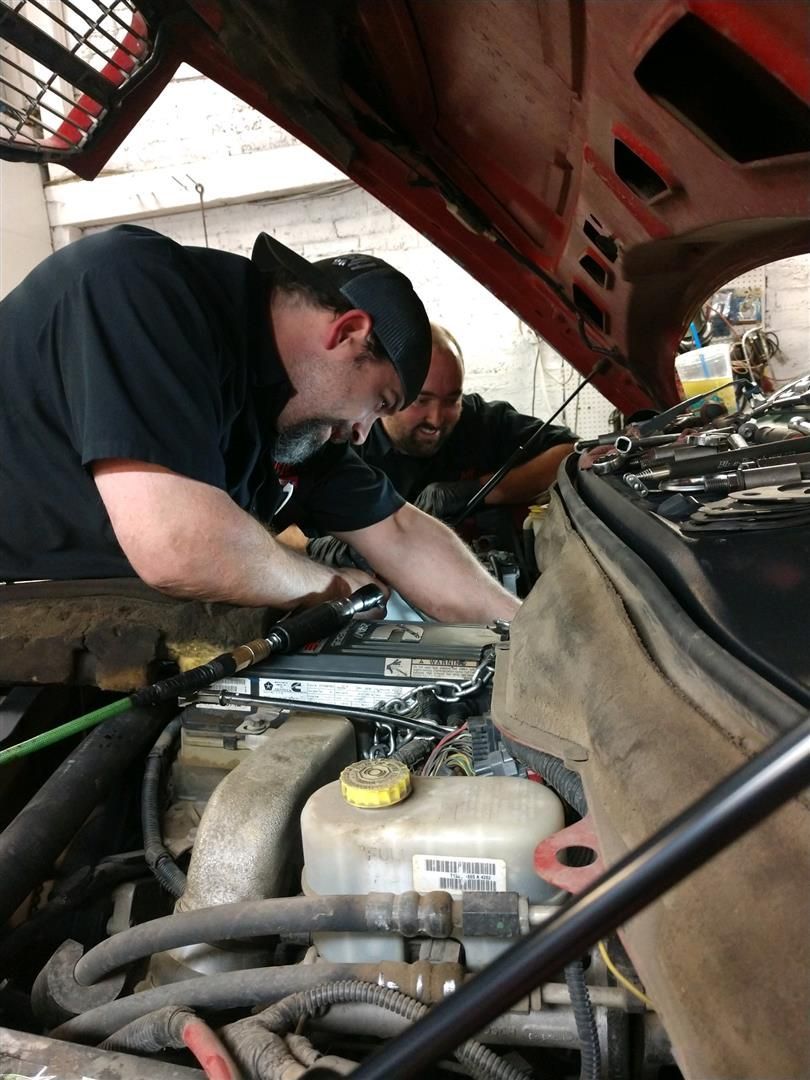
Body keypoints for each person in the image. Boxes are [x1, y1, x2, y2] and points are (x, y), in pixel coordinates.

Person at [0, 225, 517, 622]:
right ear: (348, 335)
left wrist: (522, 626)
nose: (361, 433)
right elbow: (181, 547)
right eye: (379, 403)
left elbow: (401, 531)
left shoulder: (293, 414)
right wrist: (341, 588)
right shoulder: (138, 290)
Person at [292, 323, 576, 568]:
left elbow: (569, 454)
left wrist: (484, 489)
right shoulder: (343, 441)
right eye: (421, 400)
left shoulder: (479, 422)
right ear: (390, 393)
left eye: (452, 399)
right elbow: (272, 526)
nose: (436, 419)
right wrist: (315, 549)